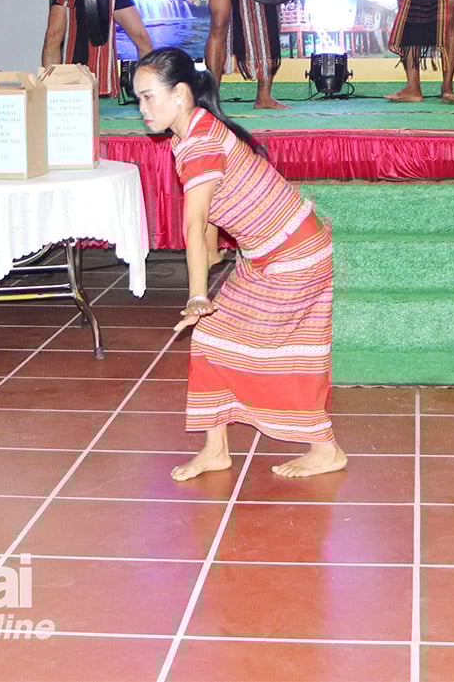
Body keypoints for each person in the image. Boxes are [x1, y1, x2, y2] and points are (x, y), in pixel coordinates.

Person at [132, 47, 347, 481]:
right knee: (216, 339)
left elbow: (194, 224)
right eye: (138, 98)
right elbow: (210, 213)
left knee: (258, 349)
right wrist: (212, 258)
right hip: (276, 253)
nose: (142, 108)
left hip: (293, 256)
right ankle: (217, 450)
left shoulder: (199, 142)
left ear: (180, 94)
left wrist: (198, 296)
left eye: (148, 96)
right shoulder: (191, 131)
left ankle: (325, 449)